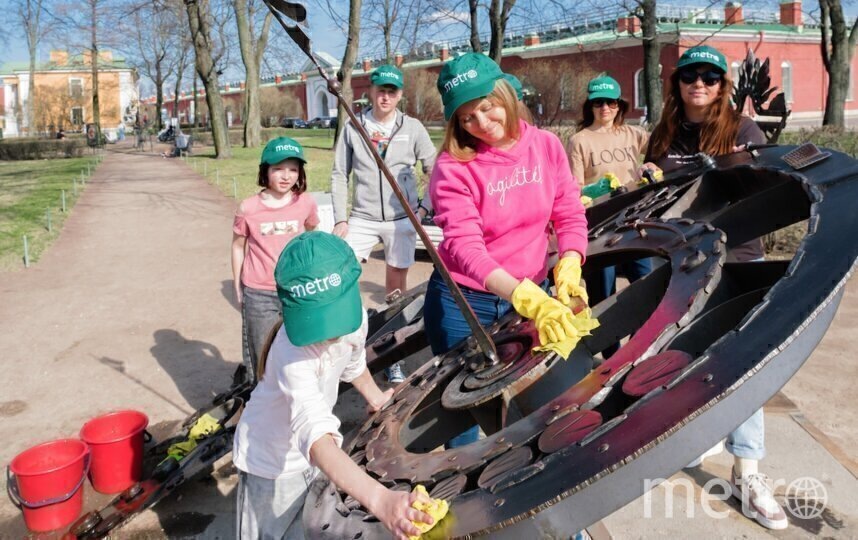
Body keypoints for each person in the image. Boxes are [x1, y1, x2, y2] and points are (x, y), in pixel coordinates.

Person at [644, 45, 787, 531]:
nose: (698, 83)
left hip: (737, 257)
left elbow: (763, 190)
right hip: (682, 260)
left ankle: (747, 468)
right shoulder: (663, 133)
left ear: (722, 83)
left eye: (709, 75)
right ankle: (696, 434)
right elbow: (653, 196)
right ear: (677, 82)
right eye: (689, 75)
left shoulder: (743, 130)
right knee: (686, 354)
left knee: (743, 360)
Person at [426, 53, 594, 448]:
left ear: (505, 94)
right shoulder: (453, 166)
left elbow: (568, 212)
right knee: (465, 412)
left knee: (540, 393)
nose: (482, 124)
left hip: (533, 291)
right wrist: (523, 294)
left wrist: (570, 262)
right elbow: (465, 248)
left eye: (487, 107)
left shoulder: (546, 146)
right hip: (466, 302)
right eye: (467, 118)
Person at [233, 231, 434, 539]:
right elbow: (314, 433)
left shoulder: (355, 322)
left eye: (336, 318)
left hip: (317, 459)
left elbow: (353, 365)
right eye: (318, 322)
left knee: (306, 528)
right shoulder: (291, 352)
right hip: (270, 462)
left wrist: (376, 397)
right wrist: (381, 500)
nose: (331, 333)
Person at [331, 64, 437, 384]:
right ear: (371, 91)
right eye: (381, 90)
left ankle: (392, 352)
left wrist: (423, 208)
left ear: (400, 94)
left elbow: (435, 168)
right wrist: (340, 218)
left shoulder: (412, 127)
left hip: (400, 218)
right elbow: (339, 175)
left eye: (392, 91)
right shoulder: (354, 126)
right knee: (341, 276)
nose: (386, 96)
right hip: (362, 217)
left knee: (396, 288)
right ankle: (348, 344)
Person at [569, 75, 651, 358]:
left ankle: (640, 349)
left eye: (611, 102)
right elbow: (573, 188)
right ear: (590, 106)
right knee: (602, 292)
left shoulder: (633, 134)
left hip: (635, 221)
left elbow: (659, 154)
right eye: (598, 102)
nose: (605, 107)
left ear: (620, 105)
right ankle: (609, 354)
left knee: (647, 282)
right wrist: (594, 189)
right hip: (599, 227)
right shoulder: (579, 140)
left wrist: (650, 166)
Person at [231, 137, 320, 385]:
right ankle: (257, 405)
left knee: (301, 349)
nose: (286, 176)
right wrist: (237, 285)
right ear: (265, 171)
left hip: (297, 290)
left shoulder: (306, 202)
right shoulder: (248, 208)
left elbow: (312, 235)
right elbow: (238, 246)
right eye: (278, 168)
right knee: (261, 356)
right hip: (259, 292)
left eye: (293, 169)